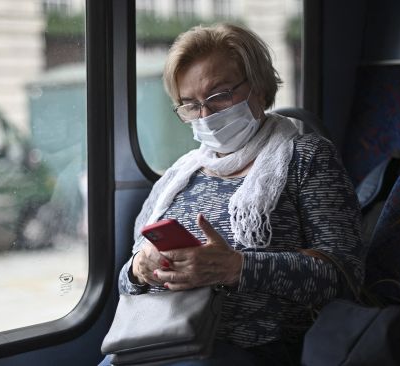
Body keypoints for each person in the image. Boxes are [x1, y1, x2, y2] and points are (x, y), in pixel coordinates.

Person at [99, 23, 364, 366]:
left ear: (258, 87)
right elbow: (127, 282)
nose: (206, 116)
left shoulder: (308, 158)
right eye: (191, 105)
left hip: (258, 350)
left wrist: (237, 267)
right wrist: (139, 268)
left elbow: (345, 279)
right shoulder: (178, 176)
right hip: (162, 339)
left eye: (220, 94)